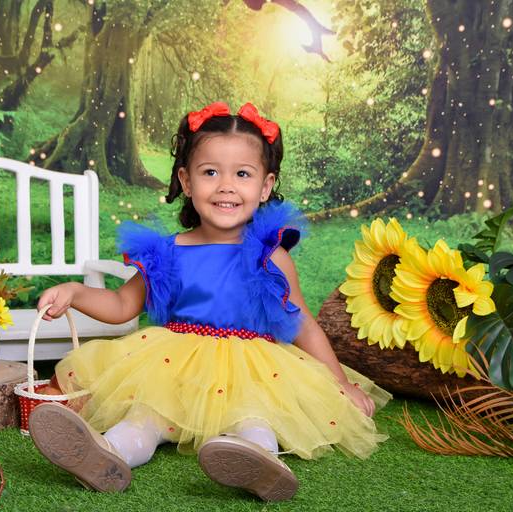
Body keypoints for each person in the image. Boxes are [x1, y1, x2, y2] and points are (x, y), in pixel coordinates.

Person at [28, 101, 391, 502]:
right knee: (145, 415)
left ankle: (259, 463)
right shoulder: (167, 252)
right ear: (186, 181)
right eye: (210, 172)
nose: (225, 186)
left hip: (253, 372)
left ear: (265, 186)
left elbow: (303, 324)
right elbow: (121, 305)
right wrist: (76, 293)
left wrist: (341, 385)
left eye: (242, 174)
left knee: (253, 417)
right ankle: (106, 454)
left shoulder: (270, 257)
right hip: (174, 369)